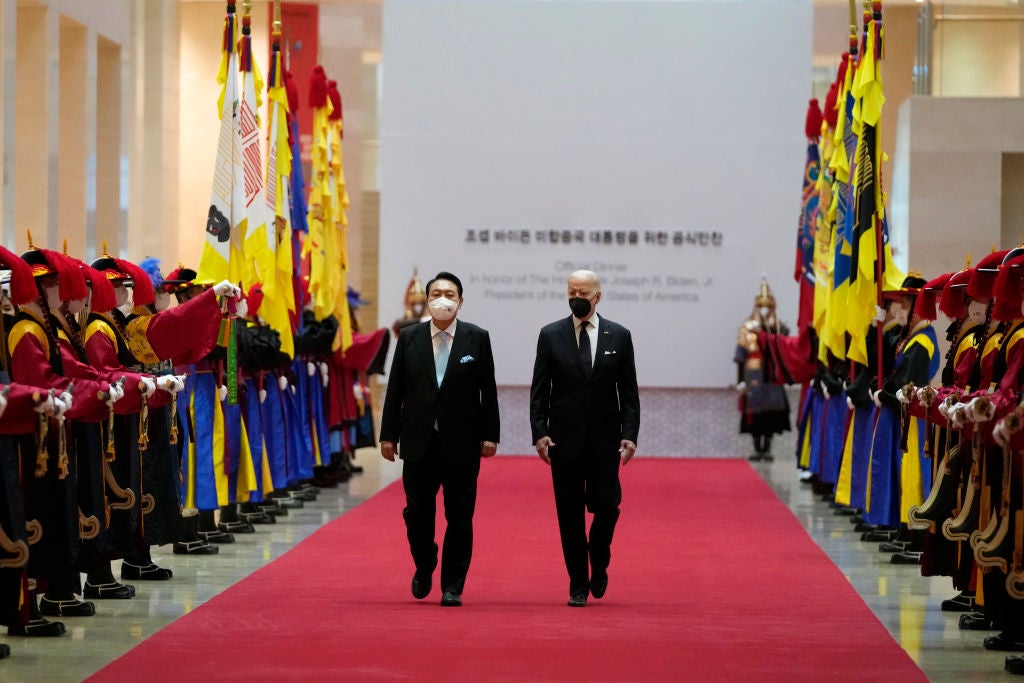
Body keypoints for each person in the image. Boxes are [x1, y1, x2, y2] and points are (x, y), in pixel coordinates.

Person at [379, 271, 499, 607]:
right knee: (417, 514)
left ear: (460, 301)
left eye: (449, 294)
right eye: (436, 293)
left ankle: (453, 586)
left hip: (462, 442)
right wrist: (389, 435)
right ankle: (424, 561)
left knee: (459, 516)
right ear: (428, 300)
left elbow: (486, 389)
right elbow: (396, 388)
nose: (442, 299)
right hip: (418, 441)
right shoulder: (410, 337)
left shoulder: (477, 338)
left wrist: (491, 435)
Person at [530, 269, 640, 607]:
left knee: (607, 506)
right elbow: (540, 389)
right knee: (569, 514)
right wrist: (540, 432)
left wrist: (629, 434)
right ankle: (578, 583)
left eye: (584, 291)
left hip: (606, 440)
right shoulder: (551, 335)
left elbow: (629, 392)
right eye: (572, 290)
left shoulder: (618, 336)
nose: (577, 296)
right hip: (564, 440)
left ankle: (600, 555)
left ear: (598, 297)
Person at [733, 278, 791, 462]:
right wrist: (740, 380)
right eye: (761, 305)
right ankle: (757, 448)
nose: (764, 309)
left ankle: (768, 448)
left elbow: (785, 346)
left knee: (772, 414)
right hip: (753, 375)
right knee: (754, 413)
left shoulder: (779, 328)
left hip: (772, 376)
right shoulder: (747, 327)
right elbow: (740, 356)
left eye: (767, 305)